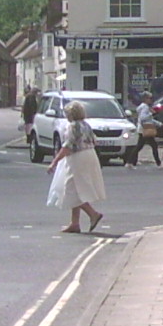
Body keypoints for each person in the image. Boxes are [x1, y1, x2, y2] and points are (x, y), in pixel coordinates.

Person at [45, 100, 107, 234]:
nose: (66, 116)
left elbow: (68, 146)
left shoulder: (72, 126)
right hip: (90, 155)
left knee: (71, 189)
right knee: (76, 188)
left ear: (71, 114)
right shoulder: (86, 125)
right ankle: (75, 223)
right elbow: (94, 141)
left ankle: (93, 214)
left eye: (67, 113)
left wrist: (54, 162)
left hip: (78, 158)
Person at [127, 92, 163, 167]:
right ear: (145, 99)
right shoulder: (145, 107)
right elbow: (143, 118)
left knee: (139, 146)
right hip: (145, 129)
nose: (151, 100)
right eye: (149, 98)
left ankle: (130, 162)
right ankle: (159, 163)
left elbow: (148, 119)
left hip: (142, 129)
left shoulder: (143, 107)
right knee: (153, 146)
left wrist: (159, 124)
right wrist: (151, 113)